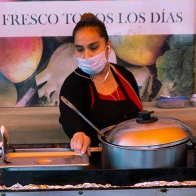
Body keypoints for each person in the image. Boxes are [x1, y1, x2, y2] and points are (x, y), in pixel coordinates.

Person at [59, 13, 143, 154]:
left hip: (135, 156)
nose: (87, 55)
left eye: (93, 47)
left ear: (108, 46)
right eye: (80, 49)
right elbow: (68, 116)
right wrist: (78, 134)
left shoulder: (125, 76)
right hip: (97, 161)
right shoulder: (73, 84)